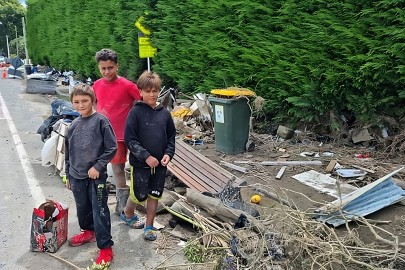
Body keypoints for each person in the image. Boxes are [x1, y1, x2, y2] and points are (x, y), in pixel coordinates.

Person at [65, 83, 117, 265]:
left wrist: (98, 166)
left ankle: (105, 248)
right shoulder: (73, 125)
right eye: (76, 102)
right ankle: (88, 232)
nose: (81, 105)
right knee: (83, 208)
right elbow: (68, 152)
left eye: (85, 101)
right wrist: (68, 174)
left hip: (96, 178)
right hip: (76, 176)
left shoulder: (101, 121)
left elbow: (112, 147)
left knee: (100, 211)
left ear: (93, 100)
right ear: (72, 103)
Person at [121, 71, 176, 241]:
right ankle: (128, 214)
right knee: (139, 195)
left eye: (155, 91)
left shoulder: (165, 114)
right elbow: (130, 140)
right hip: (140, 164)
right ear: (141, 92)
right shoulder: (135, 113)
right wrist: (145, 156)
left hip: (160, 165)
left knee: (154, 194)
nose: (152, 94)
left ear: (159, 91)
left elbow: (171, 138)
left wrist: (168, 154)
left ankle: (149, 226)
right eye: (148, 91)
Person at [93, 48, 141, 215]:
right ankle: (98, 203)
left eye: (110, 67)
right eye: (103, 68)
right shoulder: (97, 85)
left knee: (118, 169)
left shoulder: (128, 85)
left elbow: (139, 102)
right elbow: (95, 104)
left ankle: (122, 207)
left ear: (117, 66)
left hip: (119, 137)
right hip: (101, 134)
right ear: (99, 68)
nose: (107, 71)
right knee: (98, 168)